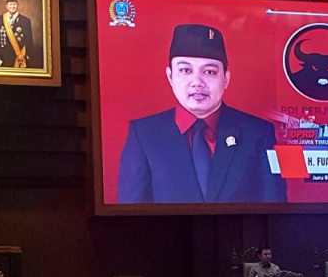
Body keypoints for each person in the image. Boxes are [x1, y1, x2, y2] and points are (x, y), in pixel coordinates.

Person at [117, 24, 287, 204]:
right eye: (185, 70)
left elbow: (274, 207)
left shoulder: (258, 133)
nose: (197, 82)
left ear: (226, 78)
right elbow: (131, 213)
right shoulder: (144, 134)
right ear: (170, 76)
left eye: (209, 72)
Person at [0, 0, 36, 69]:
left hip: (19, 54)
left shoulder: (25, 20)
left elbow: (29, 39)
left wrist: (28, 54)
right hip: (4, 53)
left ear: (17, 5)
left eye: (14, 4)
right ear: (6, 6)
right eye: (10, 4)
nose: (12, 6)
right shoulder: (0, 19)